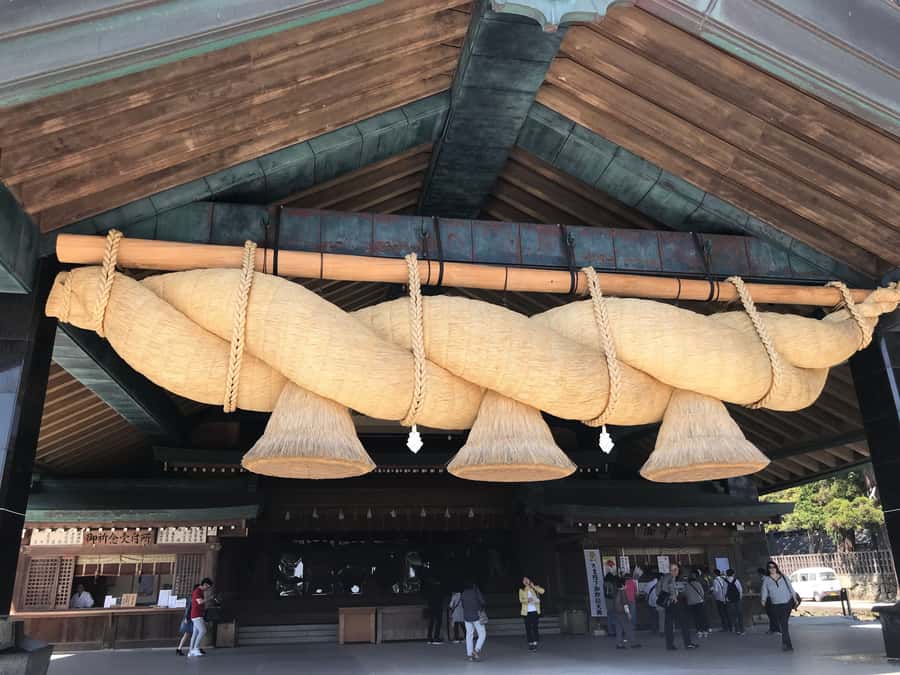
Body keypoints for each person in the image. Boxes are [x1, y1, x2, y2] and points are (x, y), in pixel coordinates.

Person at [659, 563, 698, 651]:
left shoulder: (666, 578)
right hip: (675, 603)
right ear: (669, 570)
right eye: (672, 569)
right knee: (684, 623)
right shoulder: (669, 578)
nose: (674, 571)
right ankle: (687, 643)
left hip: (669, 604)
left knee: (669, 624)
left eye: (675, 569)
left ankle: (669, 645)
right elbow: (666, 589)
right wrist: (673, 595)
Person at [760, 561, 797, 652]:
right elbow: (764, 590)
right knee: (783, 623)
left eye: (773, 567)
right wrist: (763, 600)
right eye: (770, 567)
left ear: (776, 568)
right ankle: (787, 644)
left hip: (787, 602)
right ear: (768, 569)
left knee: (784, 623)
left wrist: (795, 598)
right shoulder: (766, 580)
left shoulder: (783, 577)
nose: (772, 569)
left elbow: (790, 588)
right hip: (776, 604)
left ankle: (786, 644)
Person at [612, 578, 641, 649]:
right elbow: (625, 604)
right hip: (622, 613)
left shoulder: (615, 592)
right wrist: (628, 613)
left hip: (616, 612)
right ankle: (633, 643)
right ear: (622, 585)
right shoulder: (623, 592)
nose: (626, 585)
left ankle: (619, 644)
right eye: (625, 584)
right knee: (629, 627)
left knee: (618, 629)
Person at [461, 581, 487, 661]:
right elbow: (482, 601)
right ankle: (476, 650)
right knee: (482, 634)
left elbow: (463, 605)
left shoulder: (463, 593)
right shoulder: (475, 591)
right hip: (476, 616)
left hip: (467, 616)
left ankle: (469, 654)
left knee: (469, 635)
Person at [518, 576, 545, 652]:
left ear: (530, 580)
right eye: (524, 580)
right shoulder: (522, 590)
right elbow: (521, 600)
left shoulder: (535, 587)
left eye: (527, 579)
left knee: (535, 627)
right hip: (526, 612)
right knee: (528, 628)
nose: (525, 581)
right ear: (522, 582)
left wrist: (533, 586)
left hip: (535, 611)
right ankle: (530, 643)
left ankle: (535, 642)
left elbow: (542, 591)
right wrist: (528, 600)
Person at [188, 577, 213, 657]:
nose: (207, 589)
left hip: (196, 614)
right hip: (197, 615)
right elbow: (200, 602)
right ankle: (195, 648)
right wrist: (209, 599)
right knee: (203, 631)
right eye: (208, 587)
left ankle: (191, 651)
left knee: (195, 633)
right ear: (205, 584)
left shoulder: (199, 591)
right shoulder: (198, 591)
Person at [686, 570, 709, 638]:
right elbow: (702, 592)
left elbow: (686, 594)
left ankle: (699, 631)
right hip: (699, 602)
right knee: (702, 616)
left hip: (691, 603)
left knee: (695, 617)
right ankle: (705, 631)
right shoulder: (698, 583)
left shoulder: (686, 585)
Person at [175, 585, 196, 656]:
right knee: (190, 633)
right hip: (190, 618)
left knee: (188, 634)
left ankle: (180, 648)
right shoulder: (192, 598)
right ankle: (192, 648)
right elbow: (188, 609)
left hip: (190, 617)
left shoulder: (191, 597)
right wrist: (187, 618)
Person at [723, 569, 744, 635]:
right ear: (733, 574)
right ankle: (742, 630)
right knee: (740, 614)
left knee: (734, 615)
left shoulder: (725, 581)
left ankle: (737, 630)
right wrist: (740, 597)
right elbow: (740, 589)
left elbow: (724, 591)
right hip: (737, 599)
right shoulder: (736, 580)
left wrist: (725, 599)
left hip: (730, 600)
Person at [759, 566, 779, 634]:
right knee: (771, 615)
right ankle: (773, 629)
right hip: (770, 598)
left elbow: (765, 590)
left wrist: (763, 599)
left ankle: (776, 629)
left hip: (769, 599)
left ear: (760, 574)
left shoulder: (765, 579)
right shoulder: (767, 579)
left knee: (772, 615)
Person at [425, 576, 444, 645]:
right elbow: (441, 598)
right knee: (438, 623)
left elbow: (428, 599)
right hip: (438, 607)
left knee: (431, 622)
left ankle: (429, 638)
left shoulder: (430, 588)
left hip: (431, 607)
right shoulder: (439, 588)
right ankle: (436, 637)